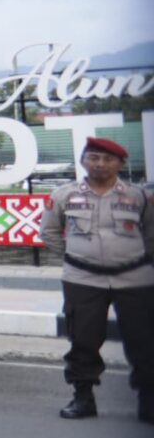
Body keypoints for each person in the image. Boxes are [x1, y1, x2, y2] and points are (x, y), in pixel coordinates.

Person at [43, 135, 152, 421]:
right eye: (94, 158)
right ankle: (83, 398)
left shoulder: (140, 196)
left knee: (144, 341)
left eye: (108, 159)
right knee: (83, 340)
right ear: (83, 161)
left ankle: (148, 400)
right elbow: (50, 233)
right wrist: (76, 257)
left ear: (120, 163)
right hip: (82, 278)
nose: (100, 164)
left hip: (134, 279)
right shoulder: (64, 195)